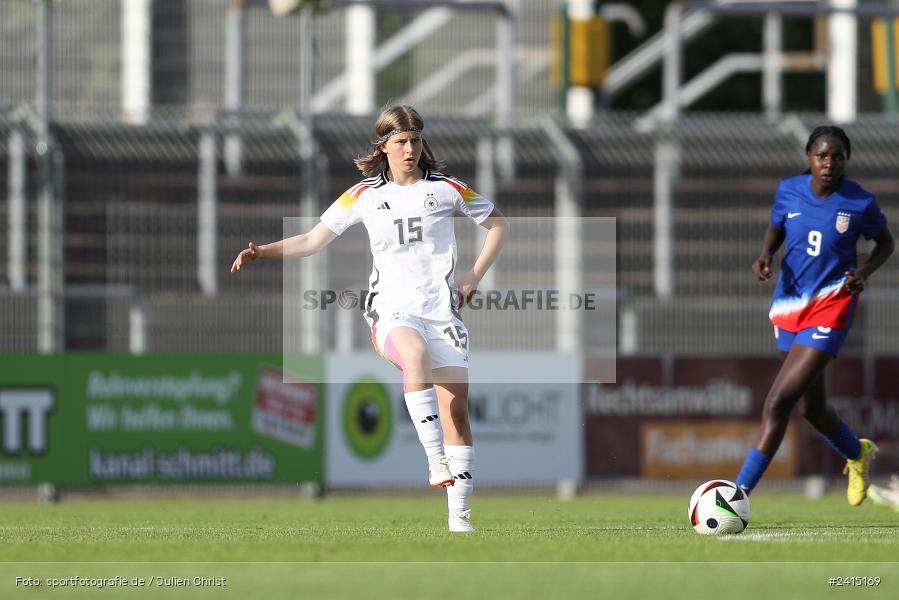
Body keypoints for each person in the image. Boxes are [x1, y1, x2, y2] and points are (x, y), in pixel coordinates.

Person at [231, 105, 509, 533]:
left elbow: (498, 225)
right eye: (400, 142)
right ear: (383, 146)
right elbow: (311, 239)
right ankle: (434, 458)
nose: (410, 149)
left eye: (415, 140)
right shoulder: (362, 195)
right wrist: (262, 251)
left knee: (456, 412)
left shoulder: (449, 188)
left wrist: (473, 275)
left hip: (441, 313)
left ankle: (461, 519)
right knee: (414, 356)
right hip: (391, 311)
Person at [735, 126, 894, 505]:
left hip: (832, 306)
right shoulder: (789, 190)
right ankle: (858, 453)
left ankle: (737, 494)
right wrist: (765, 255)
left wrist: (864, 273)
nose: (829, 163)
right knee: (813, 408)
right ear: (809, 158)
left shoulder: (859, 202)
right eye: (822, 155)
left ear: (845, 160)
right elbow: (776, 228)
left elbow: (886, 243)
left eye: (837, 156)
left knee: (778, 402)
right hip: (790, 306)